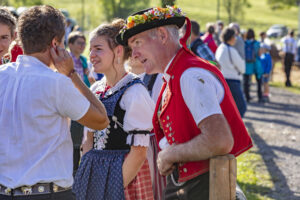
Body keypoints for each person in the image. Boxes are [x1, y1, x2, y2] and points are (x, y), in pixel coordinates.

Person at [117, 5, 252, 200]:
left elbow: (219, 140)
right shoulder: (175, 74)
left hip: (203, 188)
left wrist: (170, 155)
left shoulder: (190, 75)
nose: (134, 54)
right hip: (191, 186)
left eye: (137, 42)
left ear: (162, 35)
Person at [0, 5, 109, 200]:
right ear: (55, 43)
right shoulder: (56, 82)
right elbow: (101, 120)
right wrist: (72, 75)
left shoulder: (2, 76)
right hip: (48, 193)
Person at [73, 19, 154, 200]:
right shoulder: (96, 90)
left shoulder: (134, 92)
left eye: (98, 48)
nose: (92, 54)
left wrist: (113, 189)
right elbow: (88, 139)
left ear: (118, 51)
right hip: (95, 176)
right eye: (91, 49)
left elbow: (139, 152)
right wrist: (86, 173)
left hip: (125, 178)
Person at [127, 57, 166, 199]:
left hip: (153, 144)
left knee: (157, 191)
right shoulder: (127, 80)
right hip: (132, 146)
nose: (133, 54)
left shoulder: (160, 77)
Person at [67, 31, 95, 176]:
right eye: (79, 43)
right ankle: (70, 169)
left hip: (82, 99)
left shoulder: (84, 60)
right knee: (71, 136)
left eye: (84, 43)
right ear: (70, 44)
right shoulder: (66, 60)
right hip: (69, 99)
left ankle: (76, 170)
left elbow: (87, 77)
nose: (82, 46)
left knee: (79, 137)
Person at [216, 27, 247, 117]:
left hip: (222, 80)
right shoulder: (231, 50)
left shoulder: (220, 48)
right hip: (233, 81)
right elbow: (242, 68)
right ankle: (235, 128)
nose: (236, 39)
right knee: (241, 107)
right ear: (231, 37)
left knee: (227, 108)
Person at [244, 28, 264, 102]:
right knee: (258, 81)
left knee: (246, 82)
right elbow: (259, 54)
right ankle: (259, 96)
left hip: (246, 64)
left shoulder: (244, 43)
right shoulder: (257, 43)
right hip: (256, 63)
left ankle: (247, 97)